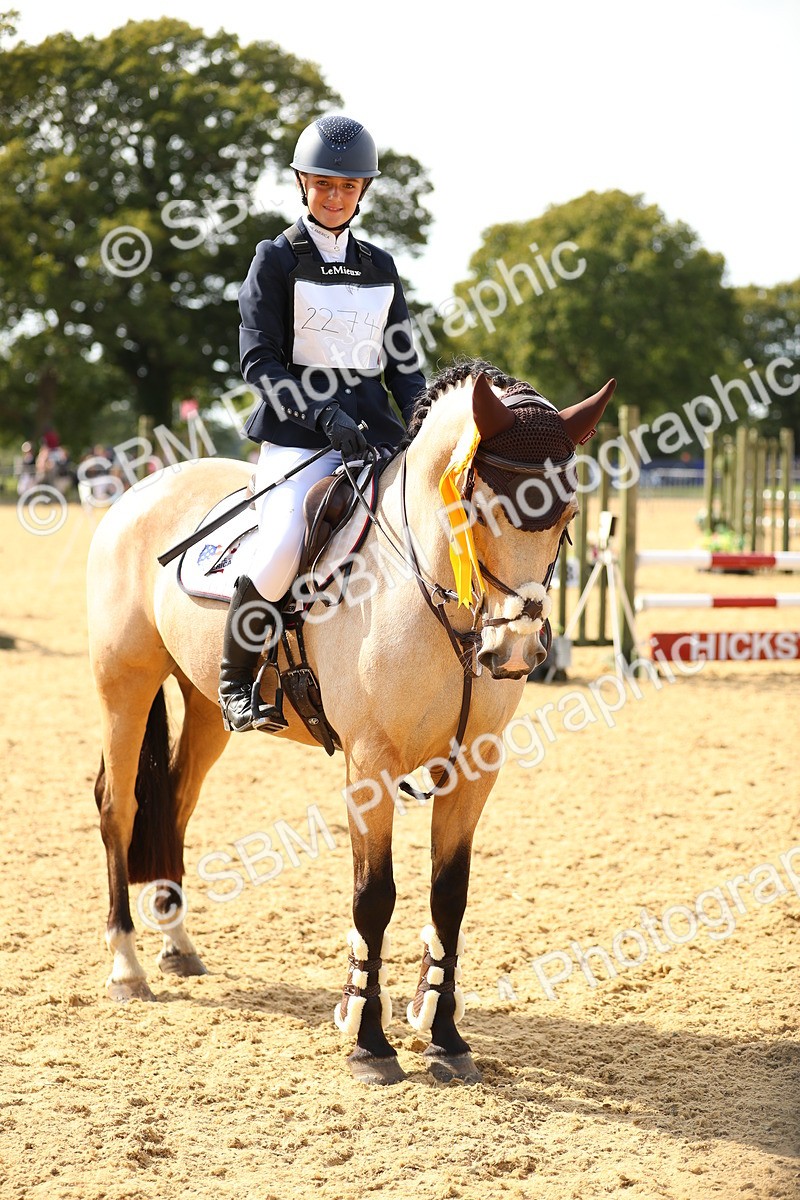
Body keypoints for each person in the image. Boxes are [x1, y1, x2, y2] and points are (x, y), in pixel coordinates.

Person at [218, 114, 427, 733]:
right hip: (298, 440)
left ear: (362, 192)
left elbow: (405, 367)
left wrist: (420, 421)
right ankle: (237, 684)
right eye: (324, 185)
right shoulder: (275, 259)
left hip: (376, 439)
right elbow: (260, 360)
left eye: (348, 187)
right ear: (303, 184)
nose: (335, 198)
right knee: (284, 545)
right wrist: (322, 412)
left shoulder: (381, 266)